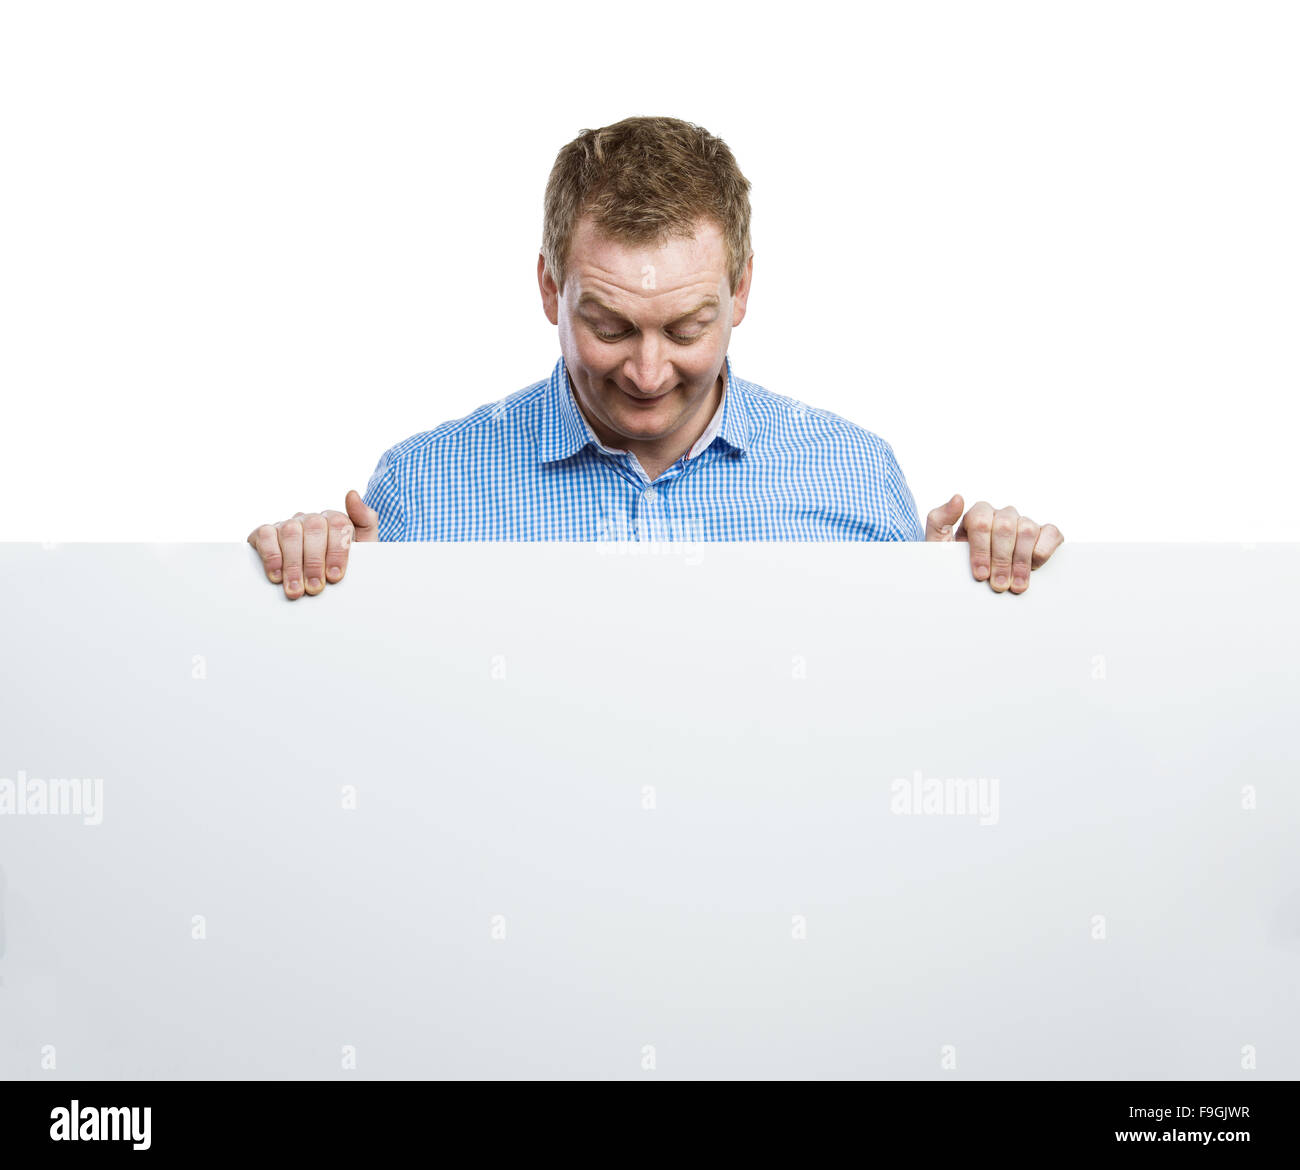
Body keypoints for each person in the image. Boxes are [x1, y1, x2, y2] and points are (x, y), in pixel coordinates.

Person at [248, 115, 1062, 599]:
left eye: (685, 329)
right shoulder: (423, 491)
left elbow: (905, 720)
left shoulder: (857, 479)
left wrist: (974, 599)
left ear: (741, 291)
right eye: (609, 328)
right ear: (549, 288)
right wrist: (312, 591)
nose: (646, 373)